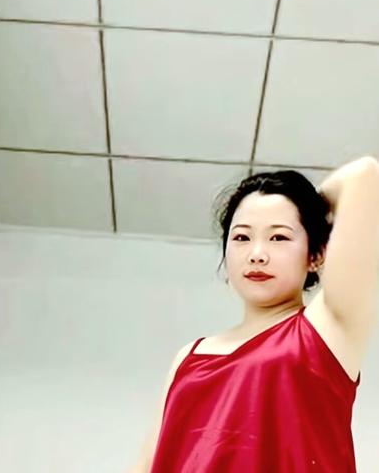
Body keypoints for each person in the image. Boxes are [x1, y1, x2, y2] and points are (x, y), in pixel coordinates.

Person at [129, 156, 379, 473]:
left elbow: (364, 174)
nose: (257, 254)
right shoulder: (189, 356)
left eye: (279, 237)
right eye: (242, 238)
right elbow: (145, 465)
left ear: (315, 255)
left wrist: (310, 208)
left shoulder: (326, 332)